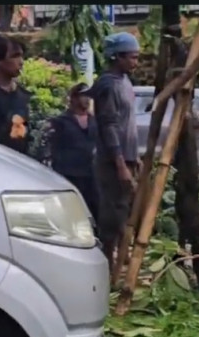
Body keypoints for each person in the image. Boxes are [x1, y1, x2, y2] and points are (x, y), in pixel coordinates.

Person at [88, 32, 141, 269]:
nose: (135, 62)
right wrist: (120, 164)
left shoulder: (125, 82)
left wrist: (134, 155)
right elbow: (108, 126)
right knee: (113, 214)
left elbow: (127, 123)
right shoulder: (108, 85)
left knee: (124, 210)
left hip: (127, 157)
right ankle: (109, 266)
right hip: (112, 162)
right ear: (116, 57)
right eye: (132, 57)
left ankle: (120, 261)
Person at [48, 83, 100, 221]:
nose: (87, 100)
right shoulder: (61, 121)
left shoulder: (94, 121)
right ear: (75, 98)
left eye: (89, 96)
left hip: (91, 174)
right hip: (69, 172)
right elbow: (54, 147)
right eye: (84, 96)